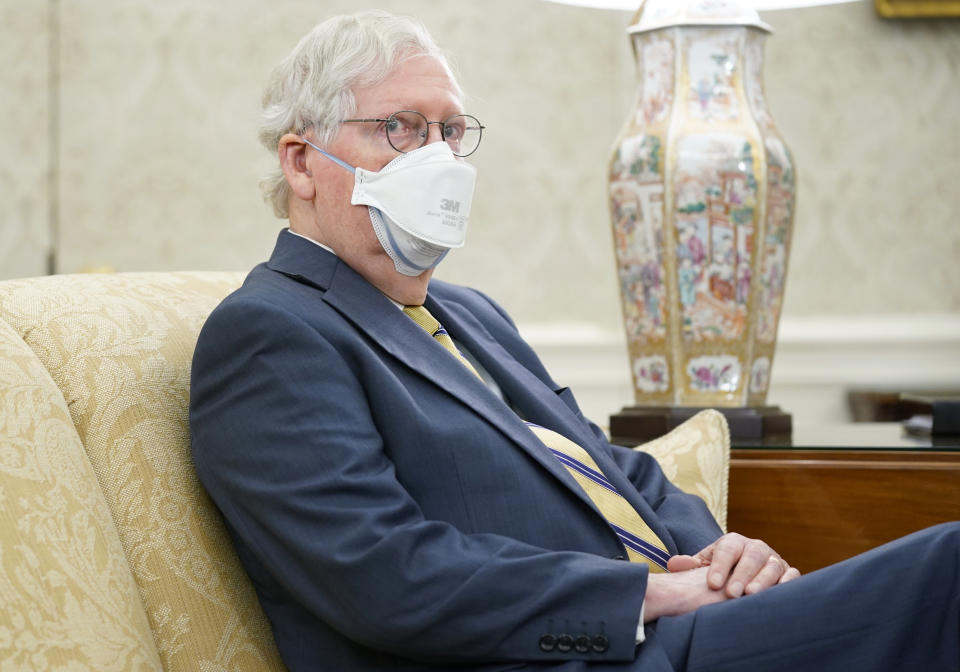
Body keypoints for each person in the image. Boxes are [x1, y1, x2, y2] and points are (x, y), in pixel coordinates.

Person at [189, 10, 959, 671]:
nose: (437, 158)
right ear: (301, 164)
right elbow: (383, 573)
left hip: (673, 629)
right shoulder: (272, 331)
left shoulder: (470, 313)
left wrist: (720, 556)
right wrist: (654, 594)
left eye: (451, 131)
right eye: (400, 128)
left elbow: (613, 470)